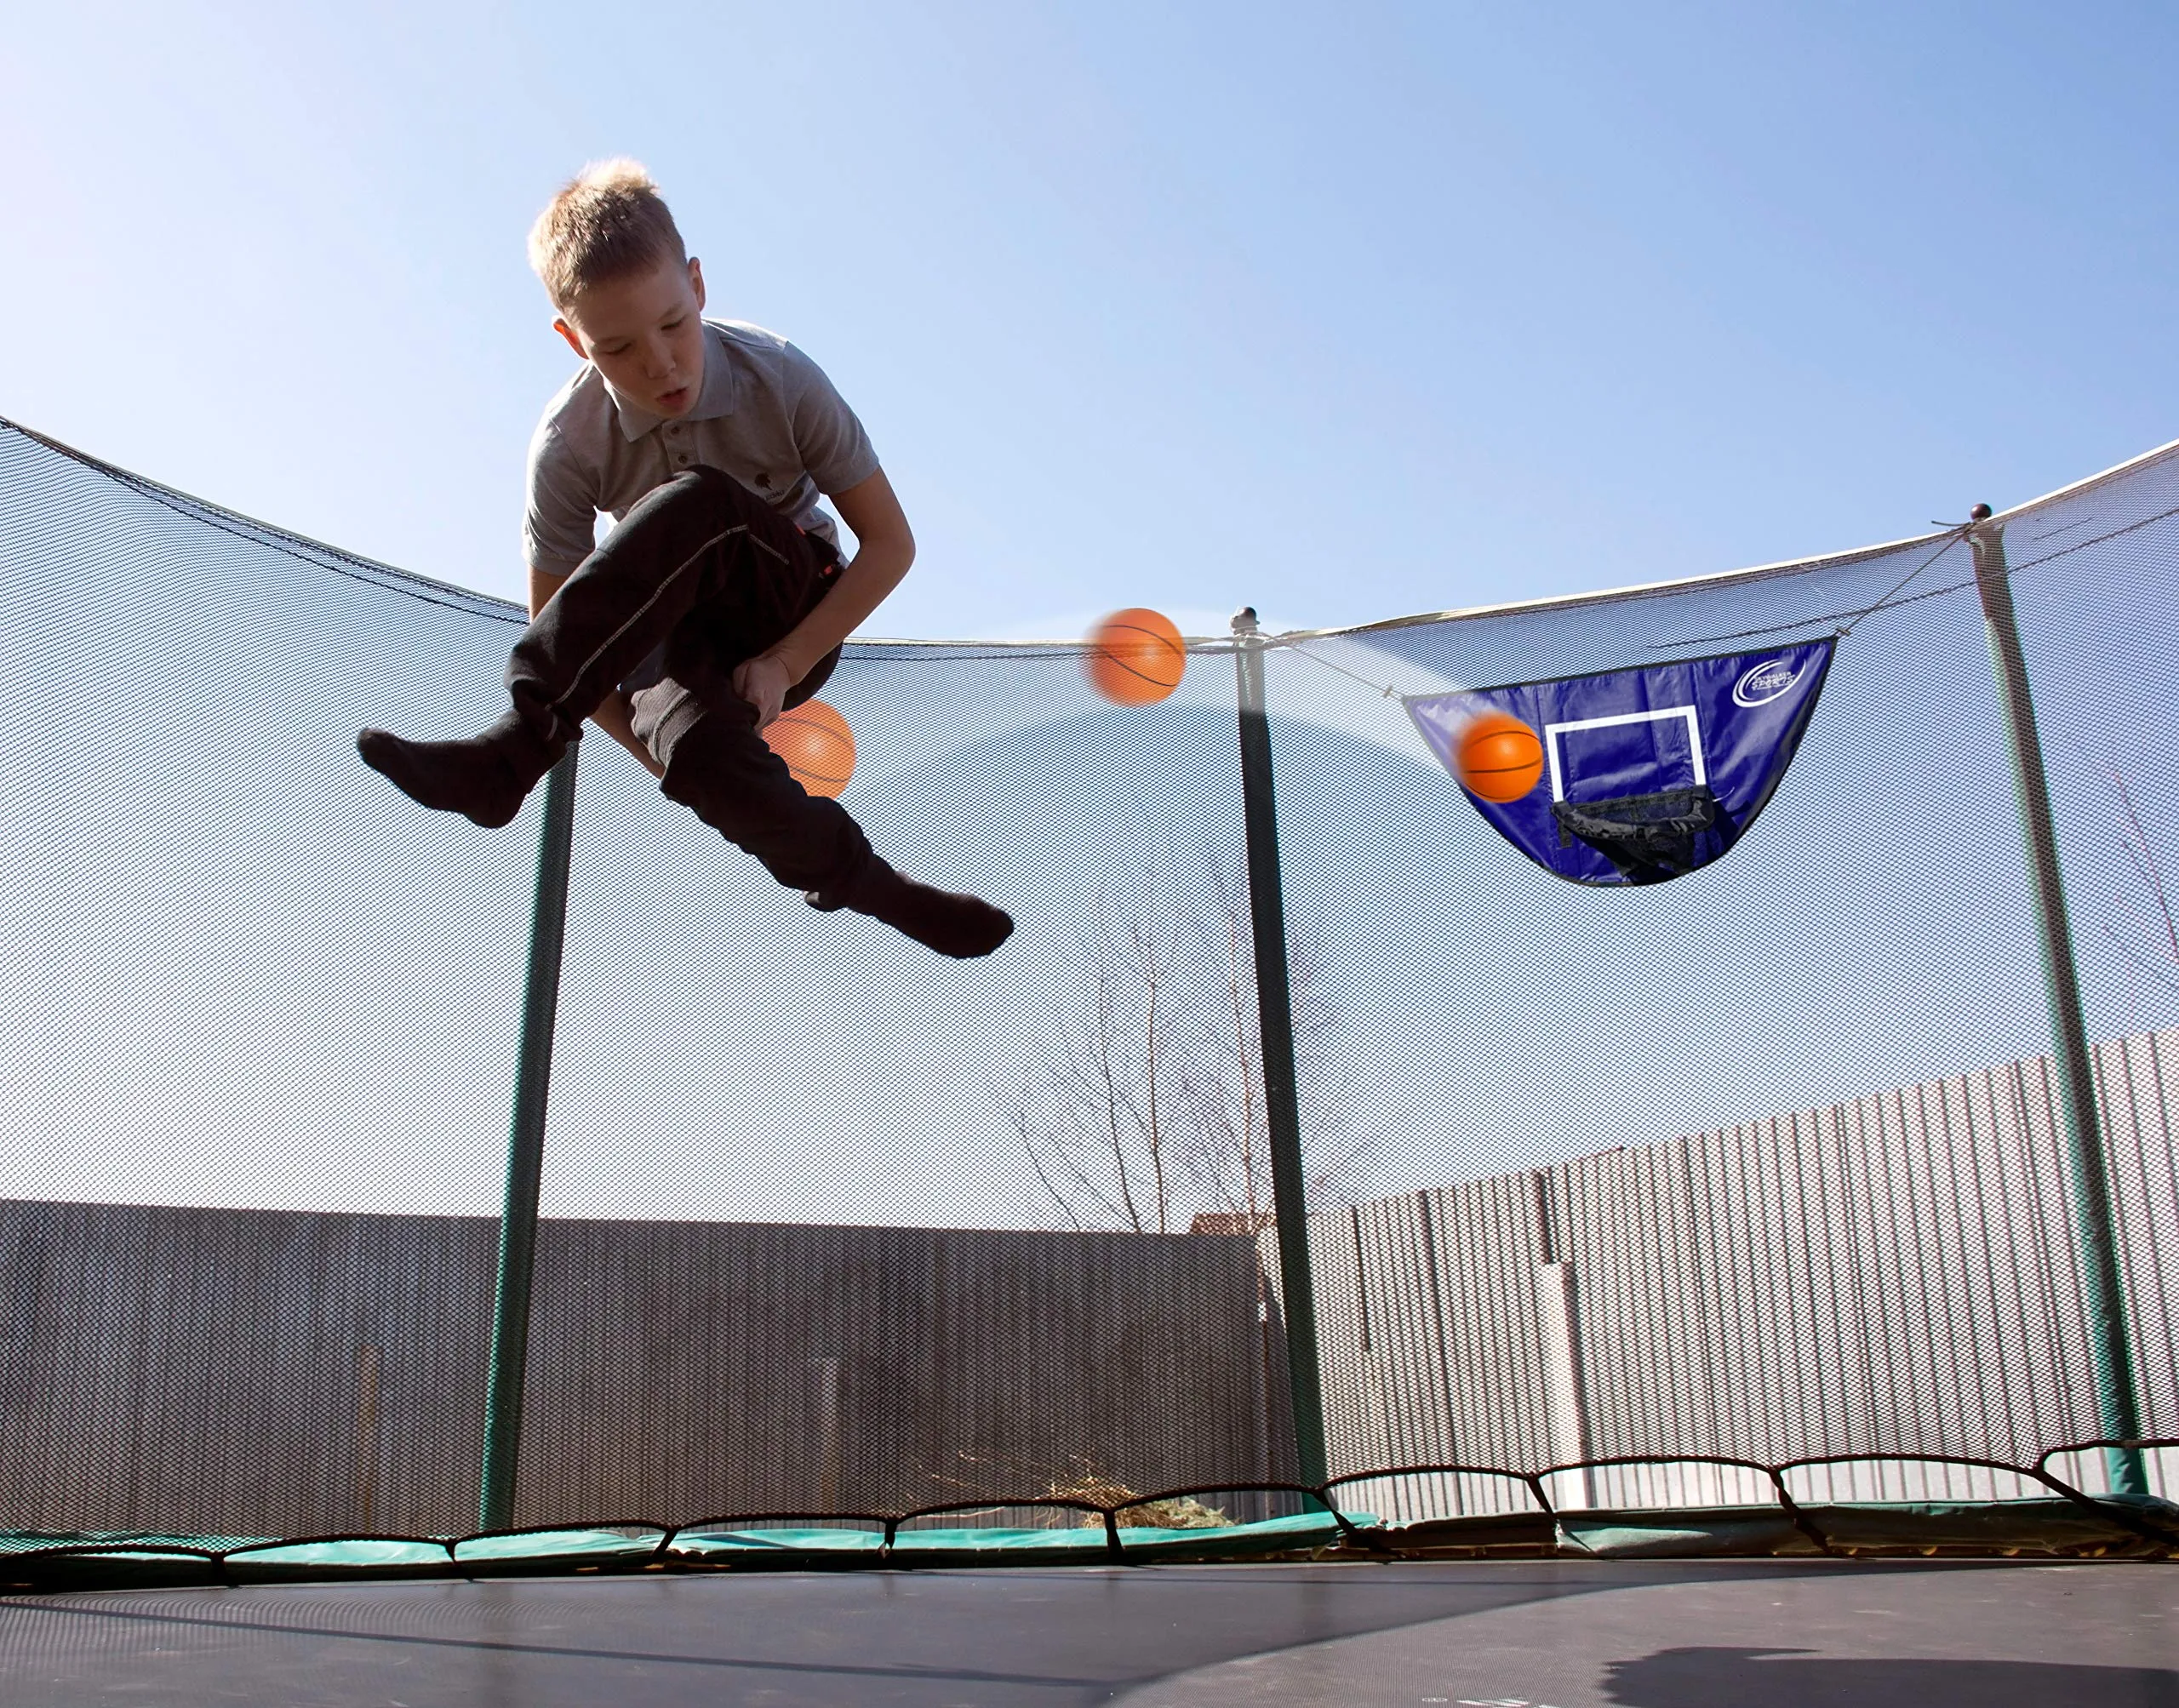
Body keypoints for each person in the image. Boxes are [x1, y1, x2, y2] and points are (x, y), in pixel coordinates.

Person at [357, 160, 1012, 959]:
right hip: (674, 639)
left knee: (699, 501)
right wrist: (673, 753)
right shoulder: (567, 445)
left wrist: (782, 662)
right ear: (573, 341)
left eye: (673, 325)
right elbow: (570, 635)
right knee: (705, 755)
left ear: (698, 286)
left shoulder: (779, 378)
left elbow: (891, 545)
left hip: (790, 596)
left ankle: (518, 742)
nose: (660, 364)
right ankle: (877, 887)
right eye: (621, 348)